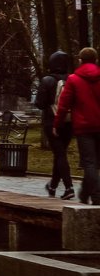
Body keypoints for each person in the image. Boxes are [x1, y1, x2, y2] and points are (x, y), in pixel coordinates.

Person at [54, 47, 100, 205]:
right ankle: (85, 193)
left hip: (83, 127)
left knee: (89, 162)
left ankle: (96, 196)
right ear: (96, 60)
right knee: (95, 163)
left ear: (80, 60)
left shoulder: (73, 79)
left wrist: (57, 124)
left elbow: (63, 104)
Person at [36, 51, 75, 199]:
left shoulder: (47, 80)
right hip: (69, 122)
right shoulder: (72, 79)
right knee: (60, 154)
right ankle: (53, 185)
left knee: (60, 154)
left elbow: (39, 103)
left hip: (52, 121)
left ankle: (69, 187)